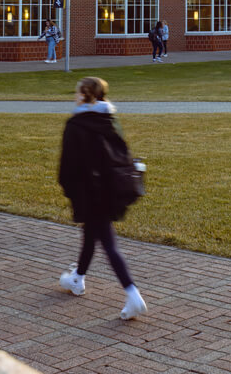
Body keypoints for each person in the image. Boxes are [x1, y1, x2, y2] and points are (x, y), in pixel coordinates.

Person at [57, 76, 148, 320]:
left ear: (84, 95)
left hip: (89, 191)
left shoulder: (75, 125)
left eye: (77, 93)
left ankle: (132, 293)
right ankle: (77, 278)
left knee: (108, 243)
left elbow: (67, 167)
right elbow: (123, 153)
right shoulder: (110, 120)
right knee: (91, 234)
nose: (75, 96)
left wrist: (69, 189)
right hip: (112, 188)